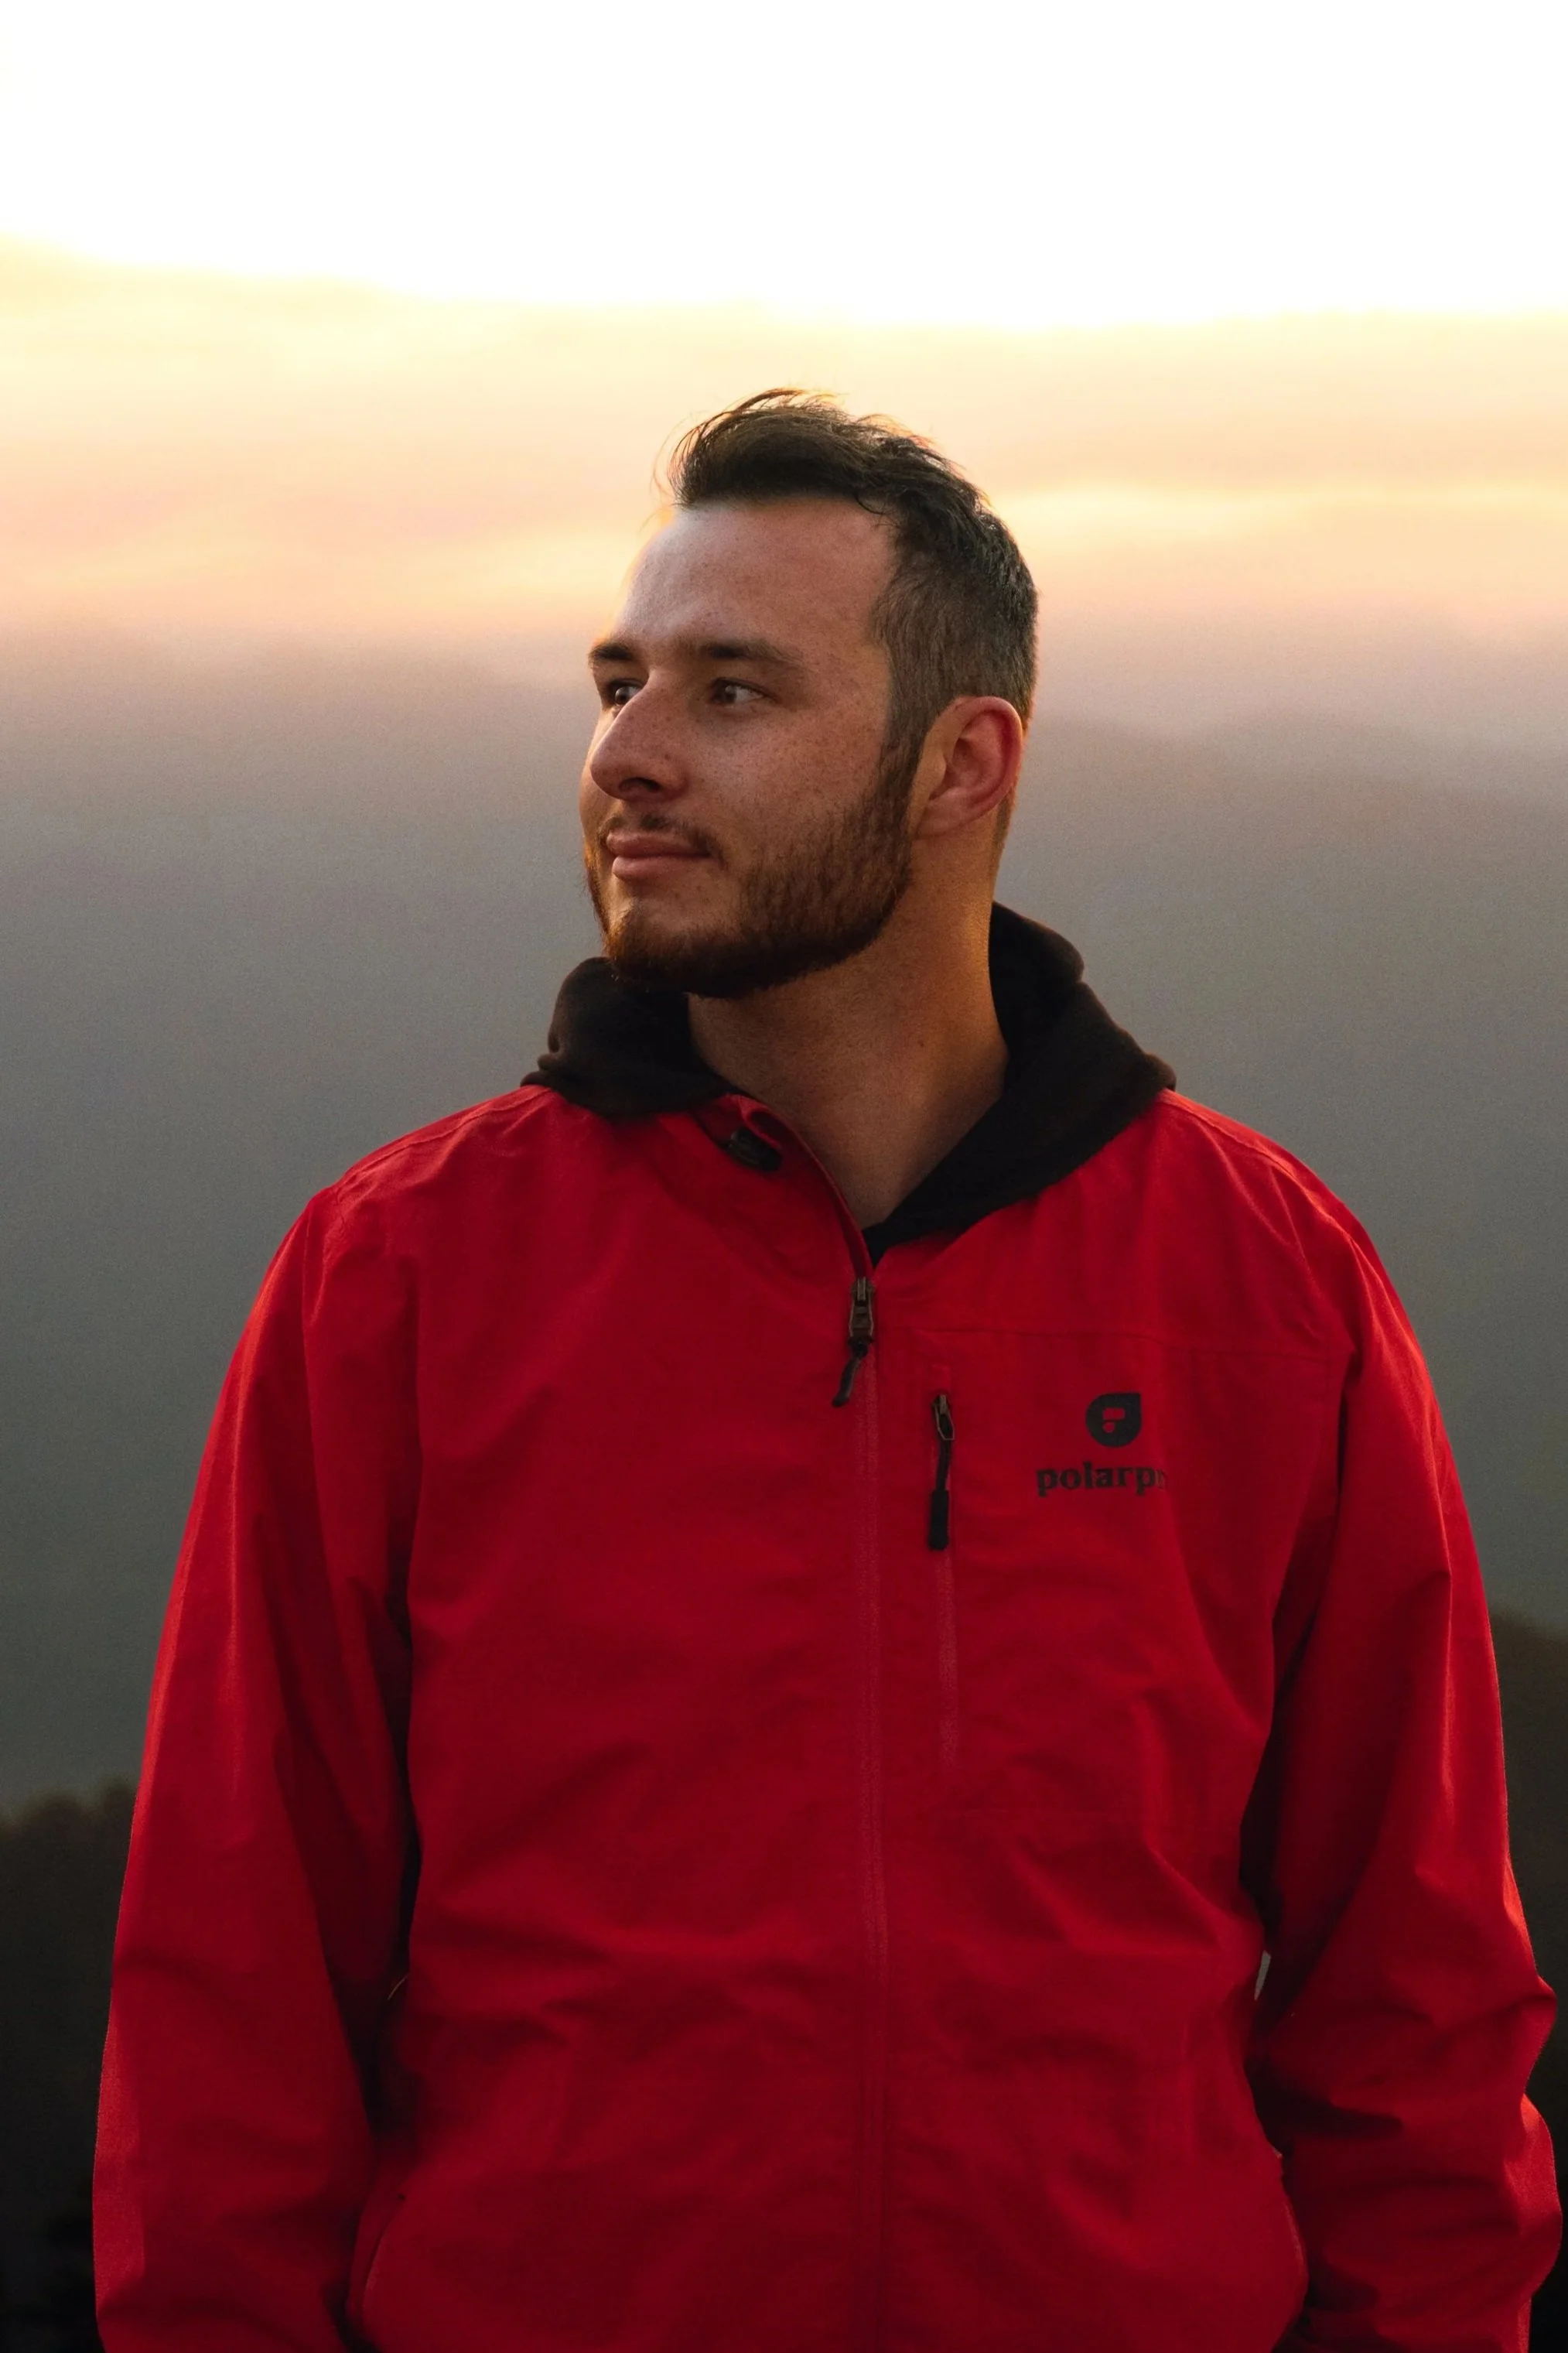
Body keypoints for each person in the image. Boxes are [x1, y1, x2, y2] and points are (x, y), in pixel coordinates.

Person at [96, 392, 1558, 2351]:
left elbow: (1415, 1994)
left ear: (962, 762)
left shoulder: (1262, 1287)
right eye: (618, 681)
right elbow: (233, 1979)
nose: (626, 752)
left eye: (730, 690)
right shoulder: (399, 1276)